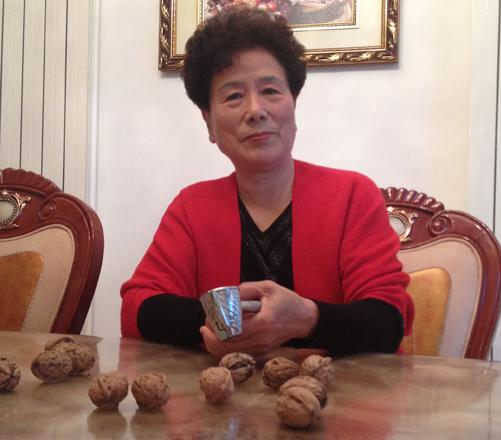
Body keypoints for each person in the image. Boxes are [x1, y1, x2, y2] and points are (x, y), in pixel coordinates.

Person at [120, 6, 414, 358]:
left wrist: (306, 319)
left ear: (293, 104)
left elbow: (388, 321)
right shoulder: (192, 207)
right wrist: (223, 319)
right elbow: (137, 308)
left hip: (336, 390)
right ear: (209, 123)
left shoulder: (352, 195)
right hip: (224, 392)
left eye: (271, 90)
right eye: (233, 96)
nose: (256, 110)